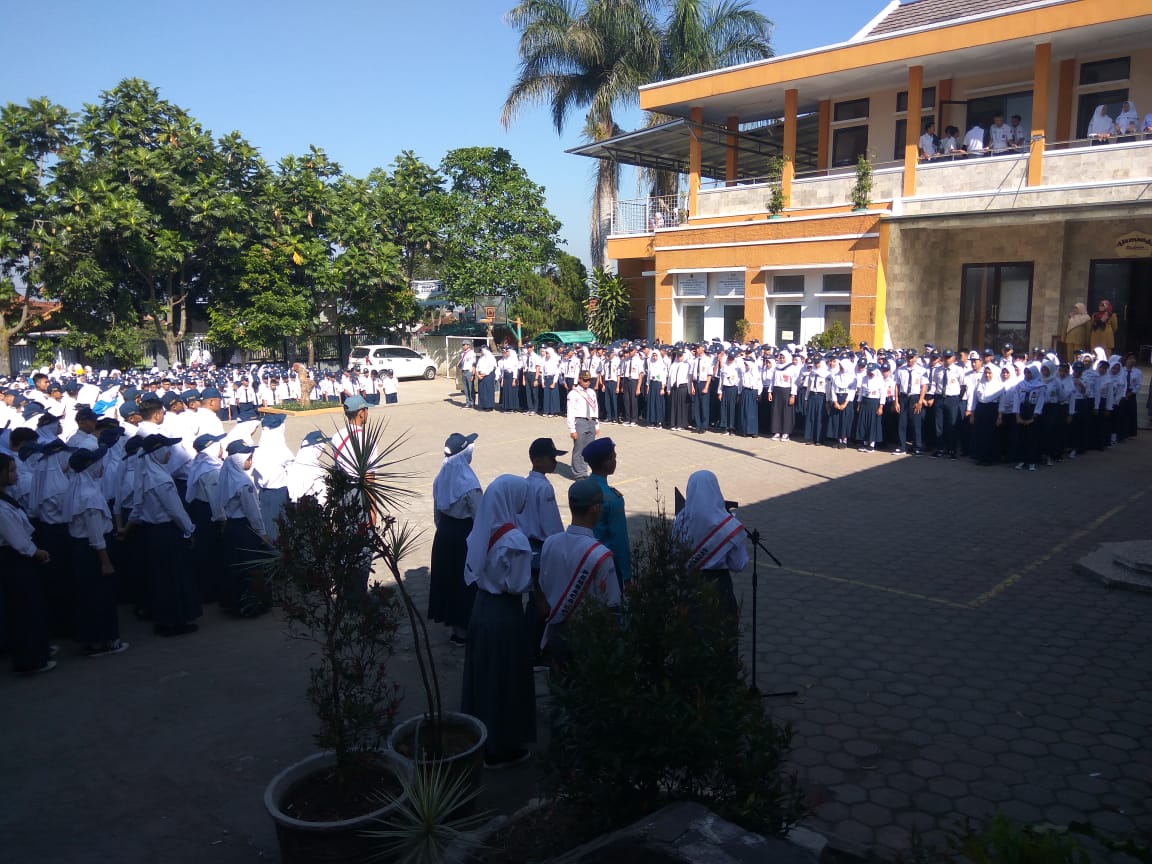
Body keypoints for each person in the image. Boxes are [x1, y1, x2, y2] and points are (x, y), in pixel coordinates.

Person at [461, 474, 535, 769]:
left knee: (484, 678)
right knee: (505, 679)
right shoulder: (513, 539)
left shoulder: (484, 527)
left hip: (481, 609)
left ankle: (480, 738)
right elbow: (517, 584)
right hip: (505, 615)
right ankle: (501, 746)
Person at [537, 477, 621, 665]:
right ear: (595, 509)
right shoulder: (601, 555)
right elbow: (612, 606)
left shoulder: (550, 543)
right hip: (588, 637)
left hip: (556, 632)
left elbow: (541, 586)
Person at [130, 434, 201, 636]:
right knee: (173, 578)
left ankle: (164, 618)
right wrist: (190, 530)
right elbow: (175, 510)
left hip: (151, 532)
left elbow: (137, 505)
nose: (170, 453)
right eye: (166, 450)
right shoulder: (161, 480)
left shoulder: (144, 474)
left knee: (160, 578)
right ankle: (175, 620)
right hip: (166, 532)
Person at [66, 447, 129, 656]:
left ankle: (92, 639)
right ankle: (106, 640)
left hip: (83, 549)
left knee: (88, 597)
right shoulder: (89, 495)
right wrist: (105, 561)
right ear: (90, 467)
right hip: (94, 551)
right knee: (101, 597)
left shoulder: (77, 487)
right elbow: (95, 534)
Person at [0, 452, 55, 675]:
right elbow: (15, 537)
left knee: (31, 607)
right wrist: (35, 552)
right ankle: (30, 659)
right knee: (24, 610)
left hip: (19, 557)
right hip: (15, 560)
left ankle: (38, 649)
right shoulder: (1, 507)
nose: (15, 474)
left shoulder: (6, 497)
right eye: (10, 470)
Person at [428, 432, 482, 646]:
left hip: (444, 534)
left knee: (448, 579)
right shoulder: (470, 483)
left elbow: (436, 514)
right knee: (465, 582)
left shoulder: (441, 477)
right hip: (464, 535)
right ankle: (464, 629)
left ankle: (453, 626)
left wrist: (444, 529)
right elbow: (480, 516)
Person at [673, 469, 746, 621]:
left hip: (689, 586)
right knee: (721, 634)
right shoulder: (728, 524)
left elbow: (675, 554)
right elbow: (738, 564)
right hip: (719, 587)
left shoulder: (680, 520)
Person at [519, 437, 566, 663]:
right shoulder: (543, 488)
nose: (555, 462)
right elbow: (551, 525)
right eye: (551, 458)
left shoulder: (526, 484)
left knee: (534, 598)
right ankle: (535, 648)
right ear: (537, 461)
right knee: (542, 601)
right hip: (542, 547)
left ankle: (530, 646)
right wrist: (561, 544)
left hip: (528, 545)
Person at [216, 439, 272, 617]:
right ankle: (253, 604)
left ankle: (234, 603)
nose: (251, 461)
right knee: (251, 567)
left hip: (231, 526)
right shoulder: (244, 483)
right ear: (240, 460)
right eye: (249, 458)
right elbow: (253, 512)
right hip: (245, 529)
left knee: (233, 567)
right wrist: (262, 532)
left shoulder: (225, 476)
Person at [582, 437, 630, 588]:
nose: (615, 461)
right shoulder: (612, 499)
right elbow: (619, 539)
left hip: (583, 557)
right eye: (613, 457)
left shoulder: (579, 489)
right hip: (606, 562)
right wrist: (627, 574)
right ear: (606, 462)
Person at [252, 413, 293, 542]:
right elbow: (292, 474)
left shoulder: (258, 449)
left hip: (263, 494)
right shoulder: (282, 450)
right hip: (280, 493)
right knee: (281, 531)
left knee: (268, 529)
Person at [566, 369, 599, 480]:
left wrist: (597, 424)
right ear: (579, 379)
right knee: (579, 448)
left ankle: (584, 471)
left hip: (591, 421)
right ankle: (577, 473)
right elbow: (570, 412)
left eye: (588, 380)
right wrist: (572, 429)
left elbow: (595, 408)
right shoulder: (573, 393)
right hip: (580, 422)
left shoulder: (592, 392)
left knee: (588, 449)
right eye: (585, 380)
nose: (587, 382)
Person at [475, 346, 497, 411]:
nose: (481, 352)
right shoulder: (481, 358)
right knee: (482, 391)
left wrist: (484, 374)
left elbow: (491, 367)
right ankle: (483, 405)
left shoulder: (491, 357)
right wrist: (477, 374)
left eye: (481, 351)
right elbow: (477, 366)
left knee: (488, 391)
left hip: (488, 376)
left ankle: (489, 406)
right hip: (481, 376)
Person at [459, 343, 476, 409]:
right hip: (464, 371)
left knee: (470, 388)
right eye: (462, 345)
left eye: (465, 344)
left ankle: (472, 403)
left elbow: (474, 364)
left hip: (469, 371)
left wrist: (473, 374)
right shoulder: (462, 354)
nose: (463, 346)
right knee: (465, 389)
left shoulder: (472, 353)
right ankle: (467, 403)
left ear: (468, 345)